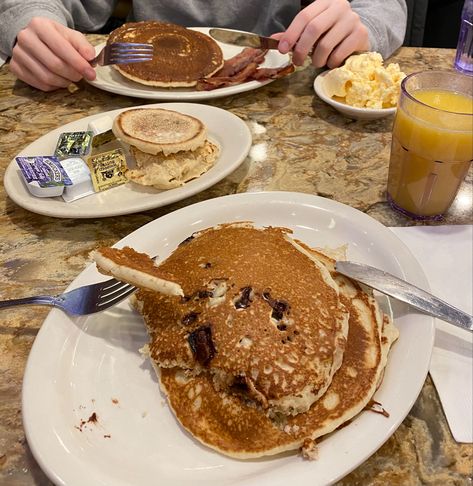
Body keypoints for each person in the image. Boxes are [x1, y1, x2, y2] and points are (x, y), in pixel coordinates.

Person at [0, 0, 407, 92]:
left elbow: (385, 6)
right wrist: (34, 29)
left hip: (274, 97)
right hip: (130, 99)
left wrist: (362, 28)